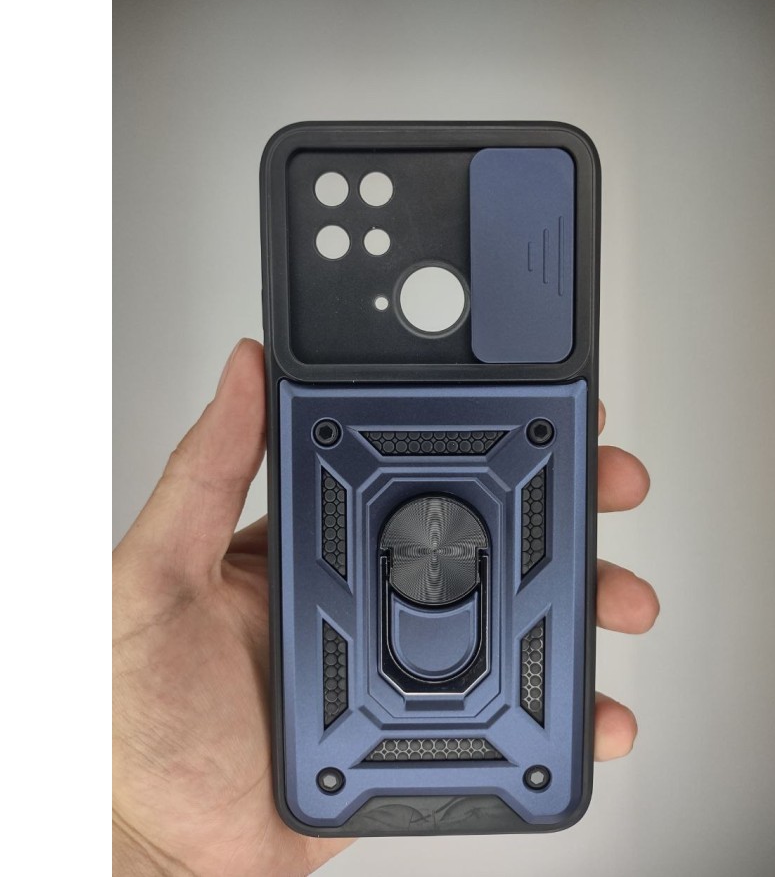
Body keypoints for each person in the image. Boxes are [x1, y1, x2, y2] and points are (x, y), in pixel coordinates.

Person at [113, 338, 658, 876]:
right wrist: (133, 840)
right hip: (416, 726)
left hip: (404, 727)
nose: (435, 559)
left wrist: (140, 845)